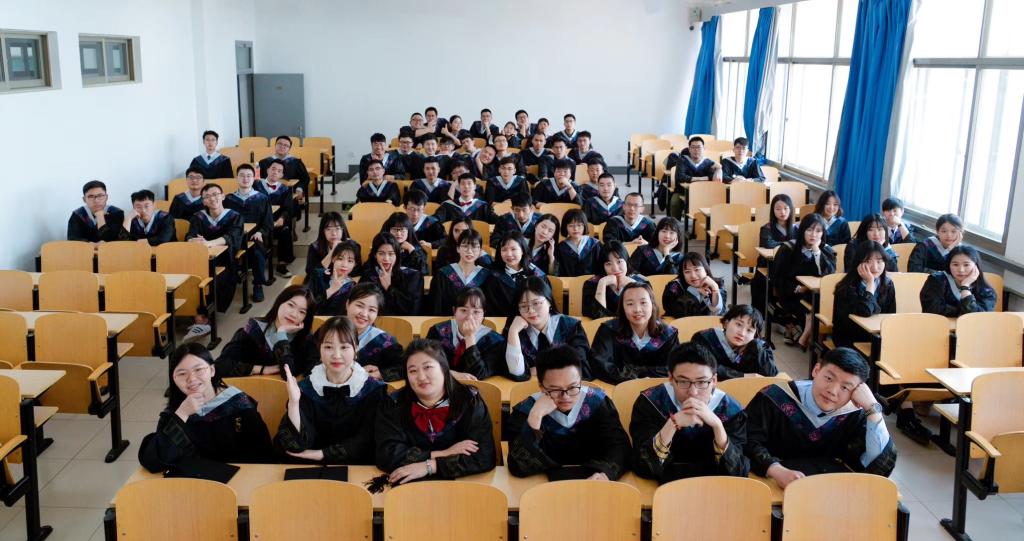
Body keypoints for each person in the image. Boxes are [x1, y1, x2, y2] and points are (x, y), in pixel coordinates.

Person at [744, 348, 897, 487]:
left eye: (845, 387)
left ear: (856, 390)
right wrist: (775, 470)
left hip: (831, 490)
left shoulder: (855, 413)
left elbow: (877, 465)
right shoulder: (774, 397)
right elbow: (747, 440)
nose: (832, 391)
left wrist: (873, 410)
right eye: (829, 378)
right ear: (816, 370)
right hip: (774, 483)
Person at [375, 339, 497, 482]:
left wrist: (430, 466)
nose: (421, 377)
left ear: (444, 369)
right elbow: (387, 455)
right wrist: (443, 453)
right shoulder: (393, 403)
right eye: (412, 371)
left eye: (427, 367)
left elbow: (484, 457)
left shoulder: (469, 400)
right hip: (408, 484)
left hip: (462, 483)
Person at [139, 343, 273, 472]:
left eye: (198, 370)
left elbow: (264, 457)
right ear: (173, 378)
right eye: (182, 374)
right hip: (190, 482)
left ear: (212, 370)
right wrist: (182, 414)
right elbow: (154, 461)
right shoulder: (176, 412)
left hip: (237, 479)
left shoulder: (239, 405)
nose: (191, 379)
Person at [630, 342, 750, 482]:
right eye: (683, 382)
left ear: (714, 380)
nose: (693, 392)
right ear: (671, 378)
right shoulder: (650, 402)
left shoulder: (731, 410)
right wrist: (672, 424)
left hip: (716, 485)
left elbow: (737, 473)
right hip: (662, 486)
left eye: (702, 382)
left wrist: (718, 426)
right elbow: (643, 466)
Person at [275, 316, 388, 465]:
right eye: (328, 347)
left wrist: (322, 454)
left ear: (356, 348)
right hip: (310, 465)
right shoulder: (307, 387)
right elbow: (296, 445)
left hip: (357, 466)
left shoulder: (373, 390)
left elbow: (367, 439)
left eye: (344, 347)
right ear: (319, 349)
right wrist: (294, 403)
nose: (336, 355)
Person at [507, 345, 629, 480]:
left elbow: (619, 446)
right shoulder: (525, 410)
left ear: (581, 381)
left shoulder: (598, 402)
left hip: (593, 479)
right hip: (542, 482)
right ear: (541, 387)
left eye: (572, 387)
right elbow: (516, 466)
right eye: (555, 389)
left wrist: (606, 473)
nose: (565, 396)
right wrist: (535, 417)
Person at [215, 285, 318, 377]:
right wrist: (261, 369)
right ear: (280, 302)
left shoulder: (306, 339)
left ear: (306, 317)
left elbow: (288, 374)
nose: (294, 314)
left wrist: (281, 335)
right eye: (291, 305)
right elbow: (220, 365)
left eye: (302, 312)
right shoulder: (254, 329)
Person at [505, 277, 591, 381]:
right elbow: (516, 373)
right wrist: (513, 332)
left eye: (536, 303)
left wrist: (539, 370)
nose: (530, 310)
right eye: (523, 306)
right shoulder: (516, 330)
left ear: (549, 301)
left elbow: (581, 368)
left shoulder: (570, 327)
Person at [591, 282, 680, 383]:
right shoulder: (609, 330)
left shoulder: (668, 334)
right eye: (630, 304)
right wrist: (637, 376)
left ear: (652, 305)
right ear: (622, 307)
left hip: (656, 387)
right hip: (616, 387)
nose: (637, 310)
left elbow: (674, 368)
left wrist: (637, 373)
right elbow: (600, 365)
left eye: (643, 303)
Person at [772, 214, 836, 349]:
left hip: (815, 294)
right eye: (809, 230)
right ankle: (815, 340)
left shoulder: (826, 250)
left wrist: (816, 251)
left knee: (822, 302)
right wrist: (799, 288)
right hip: (792, 294)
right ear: (802, 231)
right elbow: (777, 277)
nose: (814, 235)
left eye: (818, 231)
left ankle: (807, 334)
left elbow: (828, 275)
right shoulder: (788, 249)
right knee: (817, 305)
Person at [185, 183, 244, 315]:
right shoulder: (198, 217)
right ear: (203, 201)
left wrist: (209, 243)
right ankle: (195, 311)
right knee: (192, 279)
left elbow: (231, 237)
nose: (212, 198)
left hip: (225, 259)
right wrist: (192, 240)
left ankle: (207, 314)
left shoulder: (235, 216)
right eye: (207, 196)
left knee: (218, 279)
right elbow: (190, 235)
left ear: (223, 196)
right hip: (201, 259)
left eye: (215, 194)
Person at [426, 288, 507, 380]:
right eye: (463, 310)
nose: (469, 317)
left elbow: (479, 375)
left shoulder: (495, 341)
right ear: (454, 311)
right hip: (441, 385)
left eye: (476, 312)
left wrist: (469, 337)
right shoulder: (438, 331)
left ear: (483, 314)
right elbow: (426, 364)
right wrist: (452, 374)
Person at [224, 164, 273, 301]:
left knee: (257, 252)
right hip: (234, 238)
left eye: (249, 176)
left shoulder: (262, 198)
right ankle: (231, 280)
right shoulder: (228, 199)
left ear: (253, 178)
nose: (245, 179)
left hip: (254, 237)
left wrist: (260, 232)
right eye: (242, 175)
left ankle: (258, 284)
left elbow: (268, 222)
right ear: (237, 178)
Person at [833, 241, 896, 348]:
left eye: (879, 261)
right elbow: (864, 311)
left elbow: (890, 316)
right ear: (858, 263)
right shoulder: (846, 287)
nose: (875, 267)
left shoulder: (888, 284)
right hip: (850, 338)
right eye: (868, 261)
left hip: (876, 337)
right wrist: (870, 284)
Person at [691, 305, 777, 380]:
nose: (742, 333)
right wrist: (743, 376)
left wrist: (757, 346)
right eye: (739, 324)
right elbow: (704, 367)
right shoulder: (704, 338)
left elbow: (771, 376)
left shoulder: (757, 347)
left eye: (749, 330)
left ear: (755, 336)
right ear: (726, 323)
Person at [345, 283, 404, 381]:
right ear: (347, 304)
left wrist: (379, 374)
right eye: (359, 305)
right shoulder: (328, 333)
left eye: (372, 310)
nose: (364, 314)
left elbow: (403, 367)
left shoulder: (385, 342)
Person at [484, 231, 549, 318]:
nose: (509, 254)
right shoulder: (493, 278)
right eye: (504, 250)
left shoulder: (538, 275)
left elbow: (546, 305)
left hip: (535, 320)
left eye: (513, 249)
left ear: (522, 250)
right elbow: (492, 310)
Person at [920, 245, 997, 317]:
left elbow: (978, 317)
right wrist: (963, 310)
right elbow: (932, 310)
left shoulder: (986, 290)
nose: (961, 270)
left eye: (966, 265)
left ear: (976, 266)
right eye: (955, 264)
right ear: (949, 265)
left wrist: (965, 287)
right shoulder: (936, 280)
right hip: (940, 326)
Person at [359, 233, 423, 316]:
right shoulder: (368, 276)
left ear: (397, 255)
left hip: (402, 322)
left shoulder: (412, 276)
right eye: (381, 253)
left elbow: (412, 310)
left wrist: (389, 288)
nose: (386, 258)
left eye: (391, 254)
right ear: (375, 255)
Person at [428, 229, 489, 316]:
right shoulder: (443, 274)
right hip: (447, 322)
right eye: (465, 246)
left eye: (474, 247)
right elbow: (435, 307)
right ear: (458, 248)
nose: (469, 251)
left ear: (480, 251)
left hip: (477, 322)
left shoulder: (486, 276)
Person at [254, 160, 298, 278]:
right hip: (259, 224)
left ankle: (281, 265)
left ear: (282, 175)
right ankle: (255, 265)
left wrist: (282, 218)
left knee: (285, 231)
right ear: (267, 170)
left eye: (279, 171)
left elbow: (288, 208)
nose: (275, 172)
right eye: (273, 169)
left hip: (276, 223)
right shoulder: (256, 185)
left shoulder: (285, 189)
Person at [582, 241, 648, 319]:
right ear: (603, 266)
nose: (615, 269)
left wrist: (634, 285)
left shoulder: (642, 281)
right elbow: (597, 318)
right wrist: (602, 284)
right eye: (608, 264)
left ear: (626, 261)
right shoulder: (591, 284)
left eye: (619, 261)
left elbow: (648, 313)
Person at [668, 137, 722, 219]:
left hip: (703, 193)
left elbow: (714, 180)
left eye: (699, 147)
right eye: (693, 147)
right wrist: (702, 179)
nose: (696, 150)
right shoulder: (682, 160)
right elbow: (680, 177)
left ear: (704, 149)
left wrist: (718, 169)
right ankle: (675, 224)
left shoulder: (708, 162)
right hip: (683, 192)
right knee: (675, 202)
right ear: (689, 149)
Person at [662, 252, 727, 318]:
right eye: (687, 272)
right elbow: (676, 312)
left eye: (697, 270)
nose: (693, 275)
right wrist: (695, 292)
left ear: (705, 270)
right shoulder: (674, 287)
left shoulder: (716, 284)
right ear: (683, 274)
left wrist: (715, 290)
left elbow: (719, 315)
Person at [308, 240, 359, 316]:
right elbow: (308, 305)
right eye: (340, 259)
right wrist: (331, 290)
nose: (344, 265)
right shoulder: (318, 274)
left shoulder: (353, 287)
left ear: (355, 264)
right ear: (333, 259)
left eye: (350, 261)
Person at [258, 135, 310, 201]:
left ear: (289, 148)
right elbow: (259, 179)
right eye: (279, 144)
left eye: (286, 145)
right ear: (275, 145)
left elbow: (305, 178)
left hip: (290, 196)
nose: (282, 146)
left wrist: (299, 189)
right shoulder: (264, 162)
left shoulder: (296, 162)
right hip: (268, 196)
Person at [555, 209, 601, 277]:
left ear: (584, 225)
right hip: (569, 283)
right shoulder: (561, 248)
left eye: (579, 225)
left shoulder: (595, 245)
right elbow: (559, 273)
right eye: (571, 225)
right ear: (565, 227)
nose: (575, 229)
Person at [305, 211, 352, 278]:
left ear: (343, 229)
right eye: (328, 229)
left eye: (337, 229)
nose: (334, 233)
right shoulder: (315, 247)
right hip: (321, 281)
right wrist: (332, 252)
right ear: (323, 231)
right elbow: (311, 273)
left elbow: (357, 271)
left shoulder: (352, 246)